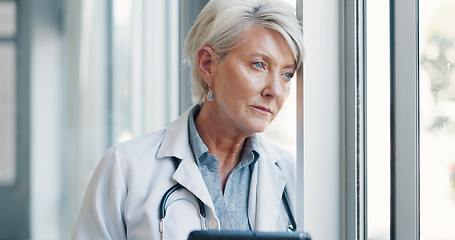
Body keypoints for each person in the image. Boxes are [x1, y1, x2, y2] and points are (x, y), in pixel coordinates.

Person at [72, 0, 303, 239]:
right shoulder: (125, 169)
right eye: (259, 65)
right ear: (208, 64)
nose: (275, 90)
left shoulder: (296, 176)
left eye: (286, 74)